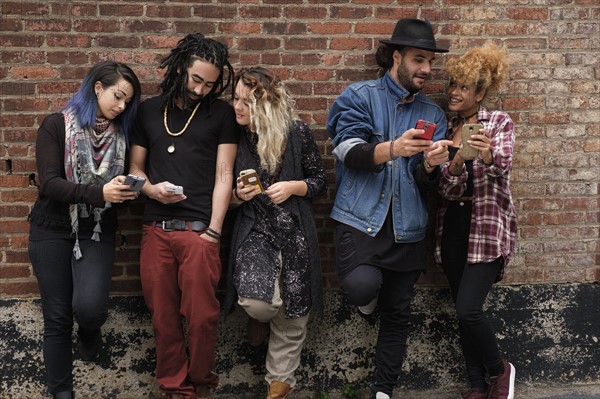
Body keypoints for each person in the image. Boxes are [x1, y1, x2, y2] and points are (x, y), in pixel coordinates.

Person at [326, 19, 453, 399]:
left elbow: (426, 183)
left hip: (408, 227)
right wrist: (393, 148)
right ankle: (367, 303)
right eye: (418, 59)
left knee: (398, 314)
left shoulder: (434, 113)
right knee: (361, 286)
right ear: (396, 56)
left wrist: (431, 164)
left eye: (430, 61)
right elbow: (347, 151)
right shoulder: (359, 96)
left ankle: (383, 392)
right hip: (360, 219)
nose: (426, 69)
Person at [128, 33, 238, 399]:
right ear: (180, 68)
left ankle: (202, 384)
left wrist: (214, 231)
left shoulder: (221, 113)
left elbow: (225, 174)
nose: (202, 89)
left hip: (199, 232)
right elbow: (136, 168)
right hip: (155, 230)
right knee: (163, 317)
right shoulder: (147, 111)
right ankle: (176, 390)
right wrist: (150, 190)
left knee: (203, 317)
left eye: (210, 83)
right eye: (196, 80)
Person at [27, 60, 141, 399]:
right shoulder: (55, 126)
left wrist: (125, 192)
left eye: (127, 102)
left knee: (90, 308)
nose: (121, 106)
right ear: (97, 88)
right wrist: (99, 192)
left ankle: (90, 332)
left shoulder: (124, 136)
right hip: (51, 228)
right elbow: (50, 184)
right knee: (57, 319)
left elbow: (119, 197)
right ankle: (62, 394)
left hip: (96, 229)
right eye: (118, 96)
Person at [224, 67, 327, 399]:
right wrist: (239, 195)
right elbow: (222, 194)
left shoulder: (295, 133)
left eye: (245, 102)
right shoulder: (233, 137)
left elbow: (319, 181)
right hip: (255, 230)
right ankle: (263, 316)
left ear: (264, 106)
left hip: (295, 234)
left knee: (294, 317)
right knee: (258, 303)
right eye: (235, 99)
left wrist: (294, 187)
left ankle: (278, 390)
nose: (237, 107)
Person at [435, 43, 517, 399]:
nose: (454, 91)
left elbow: (504, 166)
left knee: (469, 310)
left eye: (464, 87)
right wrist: (453, 164)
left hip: (486, 226)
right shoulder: (444, 126)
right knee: (460, 306)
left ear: (480, 93)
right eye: (452, 84)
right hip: (453, 222)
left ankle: (500, 371)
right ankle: (475, 384)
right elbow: (445, 189)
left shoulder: (498, 122)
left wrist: (485, 155)